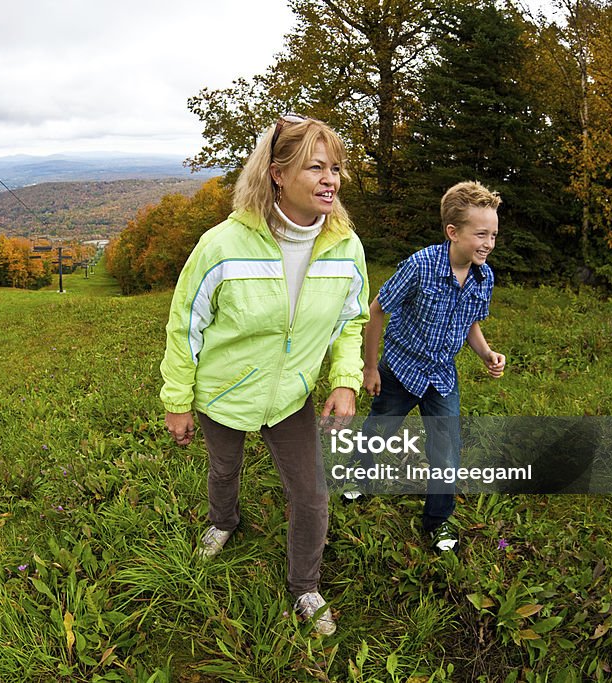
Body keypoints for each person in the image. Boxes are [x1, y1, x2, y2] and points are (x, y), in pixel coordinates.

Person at [160, 114, 369, 636]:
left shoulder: (346, 247)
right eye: (315, 166)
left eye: (336, 168)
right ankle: (223, 521)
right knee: (224, 468)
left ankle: (306, 587)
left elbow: (352, 321)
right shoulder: (222, 245)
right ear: (277, 173)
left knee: (313, 493)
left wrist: (344, 380)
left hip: (291, 396)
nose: (331, 179)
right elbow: (186, 325)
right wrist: (178, 399)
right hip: (225, 393)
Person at [357, 180, 505, 553]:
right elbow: (376, 311)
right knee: (380, 427)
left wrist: (486, 353)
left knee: (447, 452)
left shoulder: (484, 277)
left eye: (494, 235)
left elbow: (470, 322)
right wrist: (370, 367)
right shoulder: (420, 266)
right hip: (401, 369)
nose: (488, 243)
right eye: (481, 234)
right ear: (453, 232)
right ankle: (359, 476)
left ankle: (437, 520)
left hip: (442, 376)